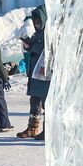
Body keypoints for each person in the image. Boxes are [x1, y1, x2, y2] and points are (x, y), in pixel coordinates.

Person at [18, 7, 49, 139]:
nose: (36, 25)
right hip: (35, 74)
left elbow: (45, 50)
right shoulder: (38, 34)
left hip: (44, 75)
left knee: (46, 102)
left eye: (38, 22)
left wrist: (32, 46)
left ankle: (47, 130)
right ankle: (32, 127)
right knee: (34, 101)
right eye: (35, 22)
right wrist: (29, 45)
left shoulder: (49, 34)